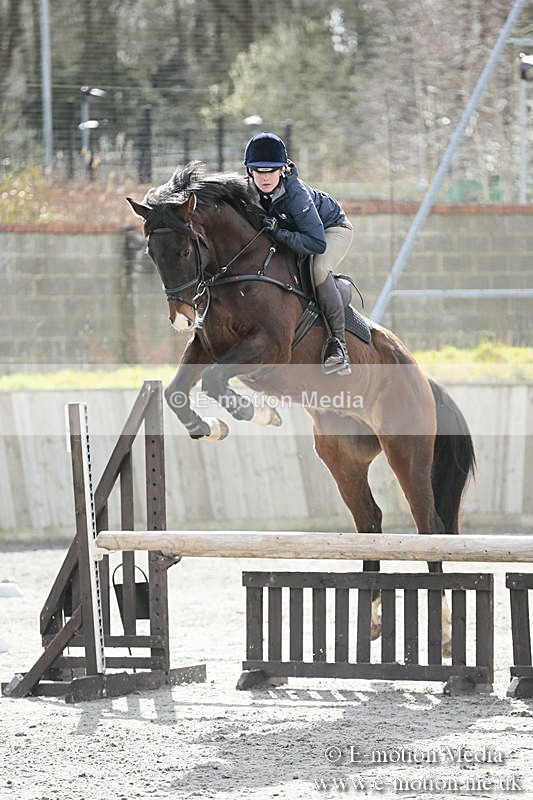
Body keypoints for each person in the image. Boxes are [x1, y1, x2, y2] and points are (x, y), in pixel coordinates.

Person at [244, 131, 353, 375]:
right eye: (259, 170)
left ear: (282, 169)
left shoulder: (295, 195)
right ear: (249, 171)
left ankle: (338, 346)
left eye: (271, 170)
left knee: (318, 269)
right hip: (297, 233)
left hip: (331, 230)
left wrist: (279, 233)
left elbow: (316, 244)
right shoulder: (248, 192)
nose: (265, 177)